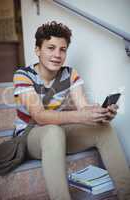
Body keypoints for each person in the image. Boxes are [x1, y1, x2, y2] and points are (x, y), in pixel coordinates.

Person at [13, 21, 130, 200]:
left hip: (59, 134)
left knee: (103, 128)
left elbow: (82, 107)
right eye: (51, 48)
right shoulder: (23, 75)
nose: (57, 55)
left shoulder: (70, 74)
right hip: (30, 137)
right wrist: (80, 115)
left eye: (62, 49)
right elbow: (40, 116)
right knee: (52, 131)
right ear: (37, 50)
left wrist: (100, 113)